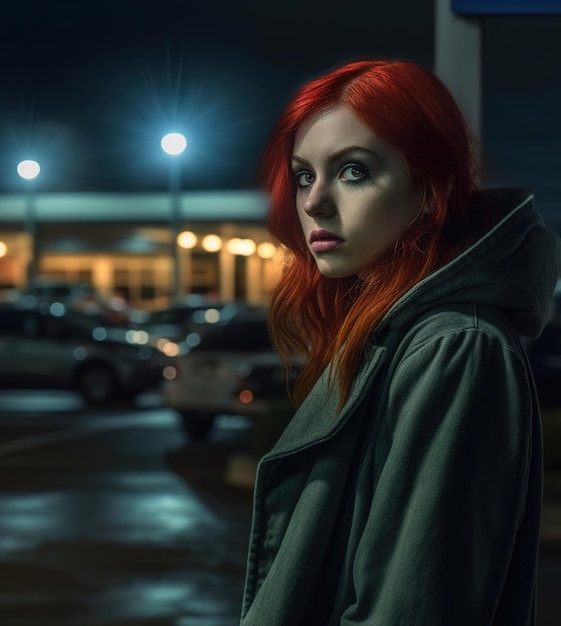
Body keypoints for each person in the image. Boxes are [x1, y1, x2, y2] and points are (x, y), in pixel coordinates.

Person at [239, 59, 561, 625]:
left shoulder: (454, 348)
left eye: (354, 171)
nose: (313, 201)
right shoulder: (390, 330)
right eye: (305, 174)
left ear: (428, 186)